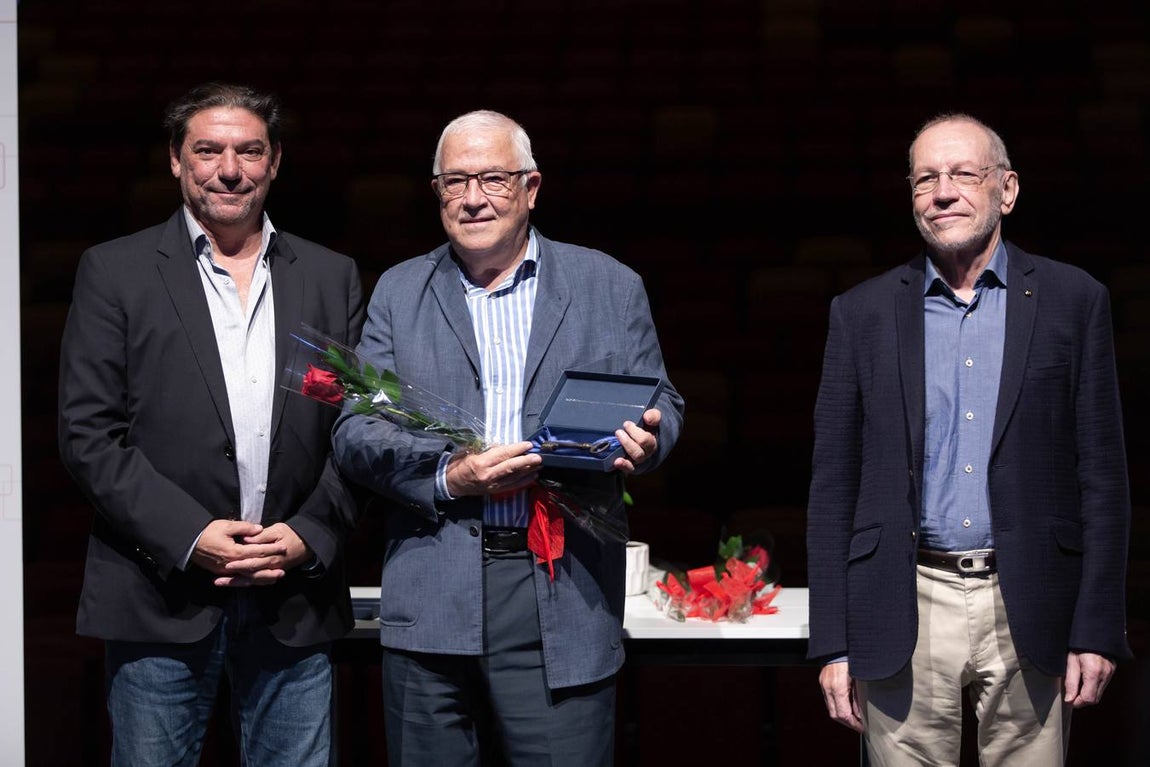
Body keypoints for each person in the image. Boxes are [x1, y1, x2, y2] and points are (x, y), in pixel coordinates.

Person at [332, 109, 684, 765]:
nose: (473, 198)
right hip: (433, 586)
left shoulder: (609, 285)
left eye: (492, 178)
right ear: (435, 191)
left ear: (531, 188)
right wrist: (447, 477)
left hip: (563, 586)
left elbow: (663, 401)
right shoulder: (398, 292)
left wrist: (650, 440)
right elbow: (354, 430)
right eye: (455, 180)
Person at [806, 112, 1132, 765]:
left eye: (963, 174)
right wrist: (833, 642)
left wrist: (1097, 627)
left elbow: (1103, 477)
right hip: (903, 603)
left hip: (1031, 607)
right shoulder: (861, 312)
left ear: (1006, 190)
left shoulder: (1075, 300)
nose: (942, 192)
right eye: (926, 178)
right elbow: (832, 488)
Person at [57, 82, 365, 766]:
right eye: (208, 150)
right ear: (176, 160)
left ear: (274, 160)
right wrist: (191, 535)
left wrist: (309, 533)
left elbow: (356, 435)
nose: (230, 168)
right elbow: (88, 435)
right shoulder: (114, 271)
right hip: (159, 591)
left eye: (249, 150)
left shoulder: (330, 275)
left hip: (294, 594)